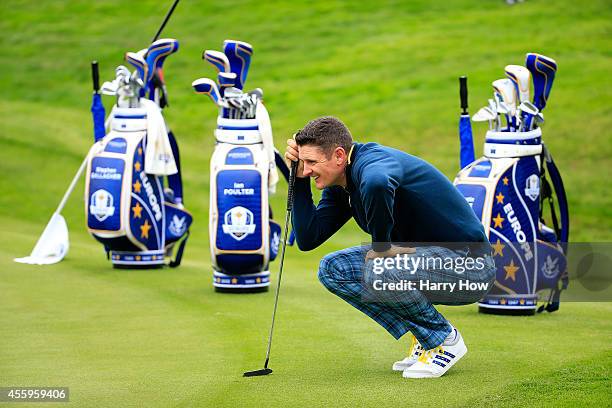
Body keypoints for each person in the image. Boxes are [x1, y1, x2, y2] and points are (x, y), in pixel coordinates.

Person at [285, 116, 496, 379]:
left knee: (380, 267)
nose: (307, 169)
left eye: (312, 163)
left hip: (470, 266)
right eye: (303, 163)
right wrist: (298, 179)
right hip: (426, 263)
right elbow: (308, 238)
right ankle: (425, 335)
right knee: (333, 269)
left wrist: (382, 248)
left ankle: (444, 339)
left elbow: (377, 182)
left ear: (339, 155)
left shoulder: (372, 162)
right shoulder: (341, 186)